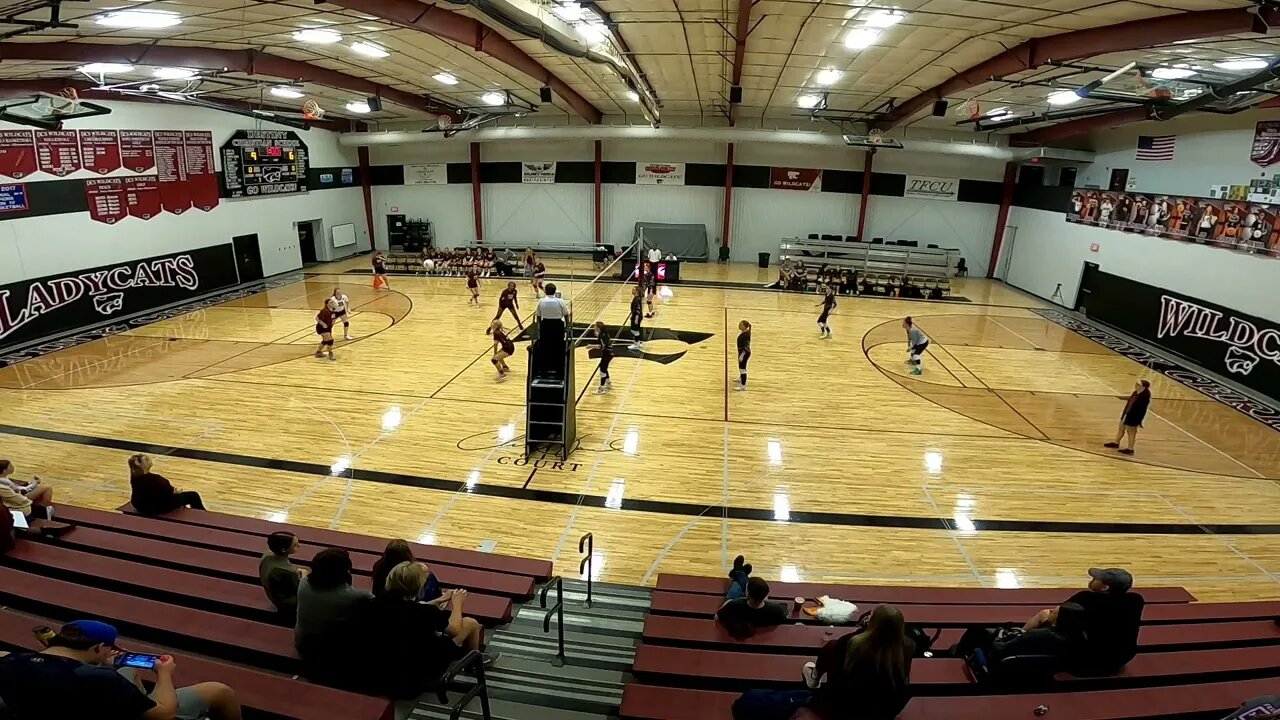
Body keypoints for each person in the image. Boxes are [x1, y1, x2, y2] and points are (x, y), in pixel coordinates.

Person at [0, 620, 241, 720]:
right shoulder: (99, 679)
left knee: (129, 670)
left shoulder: (10, 662)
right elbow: (164, 714)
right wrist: (163, 673)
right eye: (110, 648)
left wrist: (100, 662)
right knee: (218, 691)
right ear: (99, 647)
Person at [732, 605, 913, 720]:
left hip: (834, 708)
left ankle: (813, 678)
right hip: (874, 712)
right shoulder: (907, 647)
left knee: (750, 700)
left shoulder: (848, 643)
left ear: (870, 624)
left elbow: (835, 684)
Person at [1025, 568, 1143, 675]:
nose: (1092, 579)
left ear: (1105, 587)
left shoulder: (1085, 597)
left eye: (1096, 579)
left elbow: (1055, 616)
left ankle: (1018, 634)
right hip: (1120, 658)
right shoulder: (1136, 600)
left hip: (1087, 659)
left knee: (1044, 614)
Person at [295, 548, 373, 681]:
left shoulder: (303, 584)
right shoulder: (358, 596)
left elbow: (303, 574)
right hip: (330, 652)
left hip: (302, 641)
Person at [715, 564, 787, 638]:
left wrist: (727, 602)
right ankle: (740, 573)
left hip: (736, 602)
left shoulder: (734, 604)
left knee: (735, 586)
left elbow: (717, 618)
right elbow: (783, 613)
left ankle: (738, 572)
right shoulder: (776, 610)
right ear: (765, 596)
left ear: (747, 593)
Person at [128, 454, 205, 516]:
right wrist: (176, 492)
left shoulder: (134, 478)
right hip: (156, 508)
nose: (150, 460)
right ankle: (202, 516)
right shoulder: (155, 479)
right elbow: (169, 492)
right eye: (147, 460)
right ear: (142, 466)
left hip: (139, 506)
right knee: (193, 495)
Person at [370, 539, 442, 602]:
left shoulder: (378, 565)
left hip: (384, 601)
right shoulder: (406, 572)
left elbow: (376, 591)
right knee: (429, 578)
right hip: (403, 602)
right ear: (407, 554)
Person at [259, 531, 306, 619]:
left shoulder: (267, 555)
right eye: (295, 545)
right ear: (284, 550)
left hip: (272, 592)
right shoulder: (288, 571)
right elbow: (299, 589)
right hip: (286, 603)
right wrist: (303, 577)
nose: (299, 545)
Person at [1104, 379, 1151, 455]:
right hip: (1126, 414)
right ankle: (1116, 443)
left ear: (1144, 387)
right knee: (1121, 428)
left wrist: (1138, 421)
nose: (1136, 386)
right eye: (1136, 384)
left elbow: (1141, 411)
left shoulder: (1144, 397)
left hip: (1133, 417)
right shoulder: (1135, 393)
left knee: (1131, 433)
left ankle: (1130, 449)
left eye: (1138, 385)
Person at [593, 321, 613, 395]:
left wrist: (591, 346)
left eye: (595, 327)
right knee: (604, 368)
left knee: (602, 370)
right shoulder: (606, 333)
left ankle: (601, 389)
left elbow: (601, 346)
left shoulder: (601, 336)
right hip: (610, 353)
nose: (594, 328)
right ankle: (608, 383)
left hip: (606, 354)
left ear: (598, 328)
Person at [735, 320, 751, 391]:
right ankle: (741, 378)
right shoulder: (745, 332)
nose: (739, 325)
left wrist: (742, 355)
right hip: (742, 351)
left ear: (744, 326)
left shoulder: (745, 335)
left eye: (740, 324)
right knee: (742, 367)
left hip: (744, 352)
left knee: (742, 369)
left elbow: (746, 347)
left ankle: (743, 386)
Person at [627, 285, 644, 351]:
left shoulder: (637, 299)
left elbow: (638, 309)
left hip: (636, 316)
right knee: (634, 330)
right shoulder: (637, 298)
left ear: (637, 291)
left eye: (634, 290)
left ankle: (636, 344)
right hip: (636, 316)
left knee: (634, 330)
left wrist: (636, 318)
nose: (632, 291)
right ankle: (637, 343)